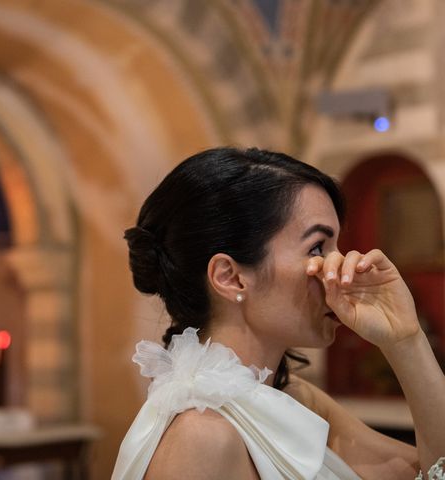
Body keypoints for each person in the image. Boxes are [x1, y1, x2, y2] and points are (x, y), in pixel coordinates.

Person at [111, 147, 445, 479]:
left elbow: (435, 470)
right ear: (231, 277)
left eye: (336, 248)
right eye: (317, 247)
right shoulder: (202, 437)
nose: (342, 267)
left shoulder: (291, 398)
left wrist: (406, 340)